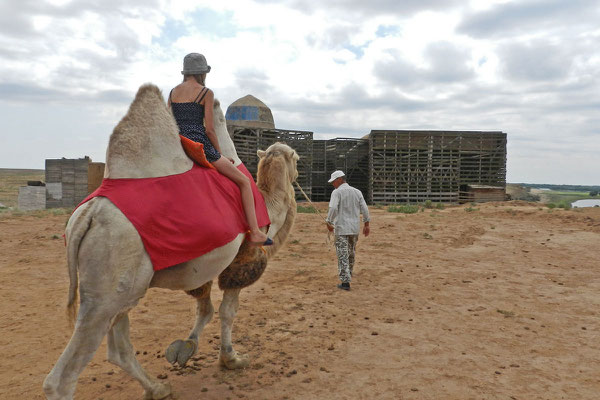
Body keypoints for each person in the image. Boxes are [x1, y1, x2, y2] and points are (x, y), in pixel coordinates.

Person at [169, 53, 271, 246]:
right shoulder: (205, 93)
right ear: (202, 73)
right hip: (199, 146)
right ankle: (256, 232)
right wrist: (219, 154)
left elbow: (169, 121)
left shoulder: (173, 92)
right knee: (243, 182)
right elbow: (209, 129)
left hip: (177, 144)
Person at [325, 170, 370, 290]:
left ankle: (345, 282)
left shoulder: (337, 192)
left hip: (341, 228)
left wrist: (329, 221)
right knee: (351, 253)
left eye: (334, 181)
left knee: (342, 254)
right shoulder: (357, 192)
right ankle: (348, 273)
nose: (333, 184)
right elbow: (364, 208)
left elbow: (333, 207)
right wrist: (366, 224)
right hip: (354, 228)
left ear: (339, 179)